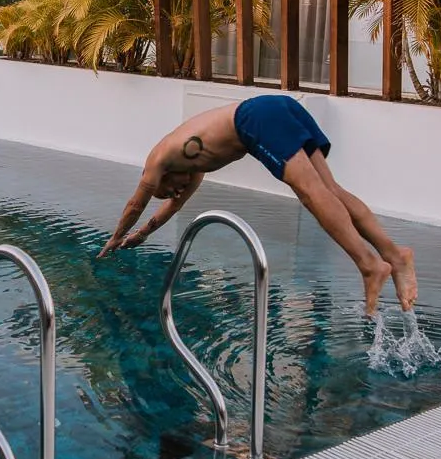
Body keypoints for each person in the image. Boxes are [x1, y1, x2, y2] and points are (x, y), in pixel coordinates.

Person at [98, 95, 417, 316]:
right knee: (329, 189)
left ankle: (369, 265)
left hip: (255, 118)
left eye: (167, 189)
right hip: (277, 107)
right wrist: (142, 235)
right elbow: (172, 208)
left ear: (160, 177)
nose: (174, 192)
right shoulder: (192, 169)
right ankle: (394, 255)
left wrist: (115, 237)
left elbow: (135, 203)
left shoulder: (158, 159)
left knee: (309, 193)